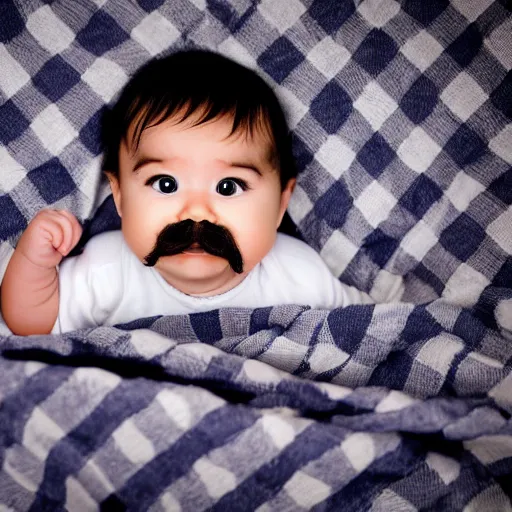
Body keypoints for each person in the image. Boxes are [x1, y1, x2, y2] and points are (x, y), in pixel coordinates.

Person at [1, 49, 374, 336]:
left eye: (228, 187)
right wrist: (34, 262)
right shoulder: (108, 269)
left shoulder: (298, 274)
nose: (196, 211)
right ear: (119, 196)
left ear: (280, 205)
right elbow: (31, 325)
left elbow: (369, 326)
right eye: (166, 184)